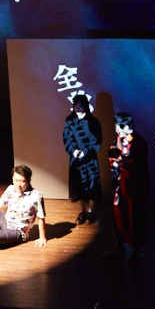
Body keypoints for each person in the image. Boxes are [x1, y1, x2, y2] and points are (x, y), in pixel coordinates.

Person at [104, 112, 150, 264]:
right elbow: (112, 156)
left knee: (135, 217)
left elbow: (139, 164)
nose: (116, 129)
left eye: (118, 126)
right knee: (118, 215)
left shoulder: (139, 142)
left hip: (135, 186)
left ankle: (136, 251)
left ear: (126, 126)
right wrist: (115, 164)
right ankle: (119, 246)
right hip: (120, 184)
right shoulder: (117, 140)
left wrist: (124, 164)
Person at [63, 94, 102, 224]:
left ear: (85, 106)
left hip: (90, 159)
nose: (78, 108)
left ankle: (91, 211)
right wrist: (73, 151)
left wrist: (85, 152)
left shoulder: (94, 121)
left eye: (80, 105)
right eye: (76, 105)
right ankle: (83, 211)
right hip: (76, 160)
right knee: (78, 186)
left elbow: (96, 140)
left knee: (92, 185)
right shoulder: (69, 120)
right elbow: (66, 138)